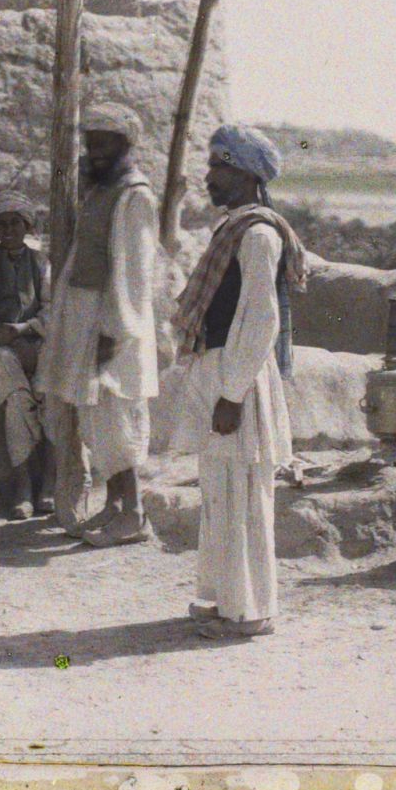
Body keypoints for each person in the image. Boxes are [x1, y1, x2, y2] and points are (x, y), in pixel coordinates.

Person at [170, 124, 310, 641]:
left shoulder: (257, 235)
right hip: (222, 370)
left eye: (219, 167)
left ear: (248, 175)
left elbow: (262, 320)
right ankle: (223, 598)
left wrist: (231, 394)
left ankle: (250, 610)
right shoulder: (233, 229)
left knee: (244, 495)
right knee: (220, 491)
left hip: (240, 377)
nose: (209, 176)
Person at [39, 101, 160, 547]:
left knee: (115, 416)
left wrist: (116, 329)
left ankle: (134, 515)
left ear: (126, 145)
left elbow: (135, 272)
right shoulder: (96, 192)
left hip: (112, 323)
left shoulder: (135, 196)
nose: (97, 152)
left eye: (106, 144)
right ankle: (113, 505)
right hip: (82, 315)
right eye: (92, 144)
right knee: (92, 418)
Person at [0, 191, 55, 520]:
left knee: (51, 394)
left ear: (27, 226)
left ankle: (49, 482)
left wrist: (25, 330)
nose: (9, 229)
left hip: (37, 337)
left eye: (16, 223)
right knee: (15, 401)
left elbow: (52, 307)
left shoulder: (41, 262)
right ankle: (23, 485)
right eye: (2, 224)